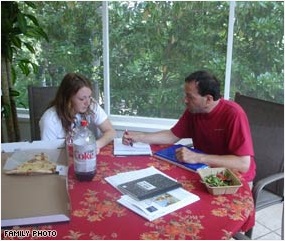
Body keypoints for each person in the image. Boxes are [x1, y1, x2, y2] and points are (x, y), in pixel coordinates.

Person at [123, 70, 256, 182]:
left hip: (233, 177)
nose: (185, 100)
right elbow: (172, 136)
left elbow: (243, 164)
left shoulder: (234, 114)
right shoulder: (194, 110)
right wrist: (140, 137)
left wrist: (197, 157)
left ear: (208, 99)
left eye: (190, 96)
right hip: (203, 169)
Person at [40, 73, 116, 153]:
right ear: (67, 99)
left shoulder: (92, 105)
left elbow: (111, 132)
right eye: (81, 99)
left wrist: (96, 145)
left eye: (89, 96)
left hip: (87, 157)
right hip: (63, 161)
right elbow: (47, 154)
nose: (87, 102)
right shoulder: (49, 120)